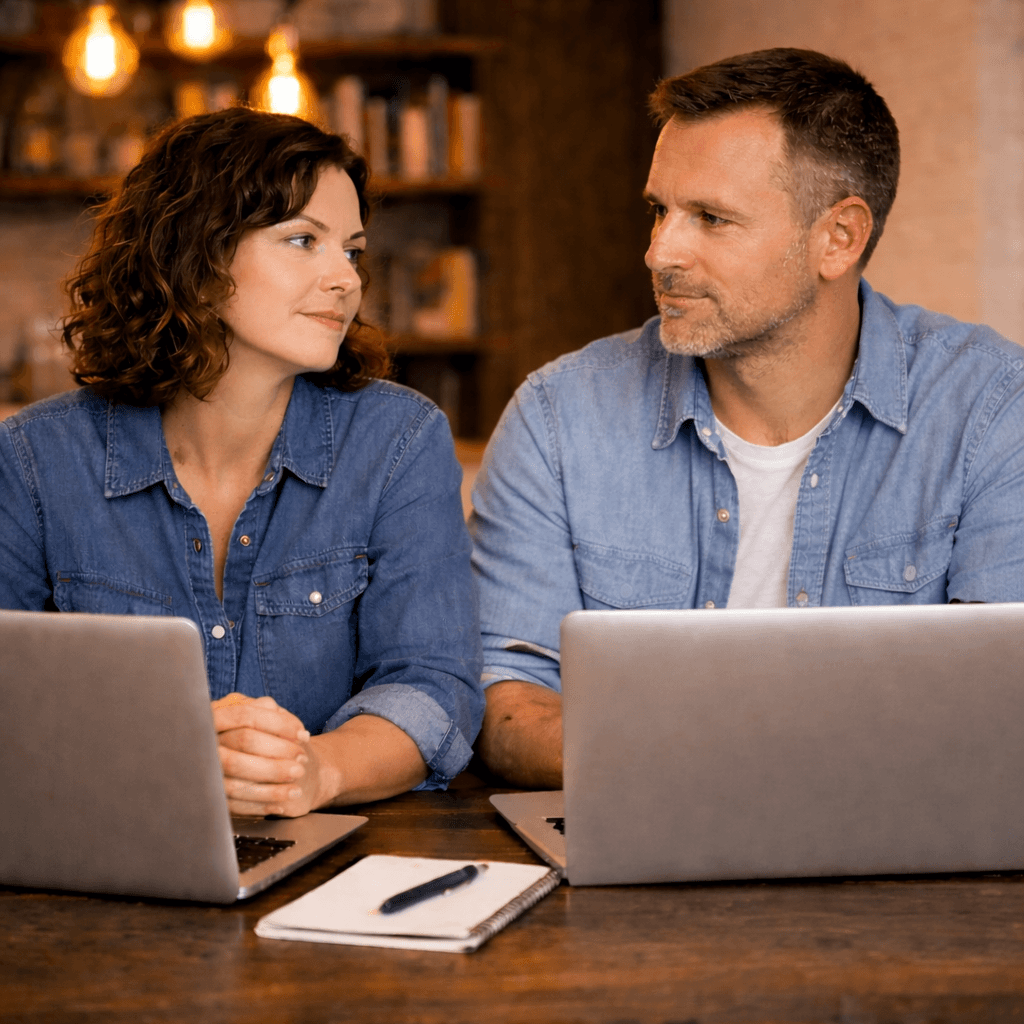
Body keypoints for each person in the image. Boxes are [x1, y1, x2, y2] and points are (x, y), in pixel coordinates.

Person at [470, 48, 1024, 788]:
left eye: (711, 218)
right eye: (659, 210)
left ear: (840, 238)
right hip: (641, 834)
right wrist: (706, 771)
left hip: (904, 863)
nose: (660, 251)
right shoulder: (558, 417)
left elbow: (1001, 708)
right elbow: (506, 696)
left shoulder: (990, 409)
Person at [0, 107, 483, 815]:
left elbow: (434, 685)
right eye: (302, 241)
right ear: (197, 259)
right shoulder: (36, 459)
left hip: (333, 860)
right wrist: (165, 756)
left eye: (351, 250)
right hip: (98, 851)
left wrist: (316, 769)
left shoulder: (399, 439)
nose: (345, 279)